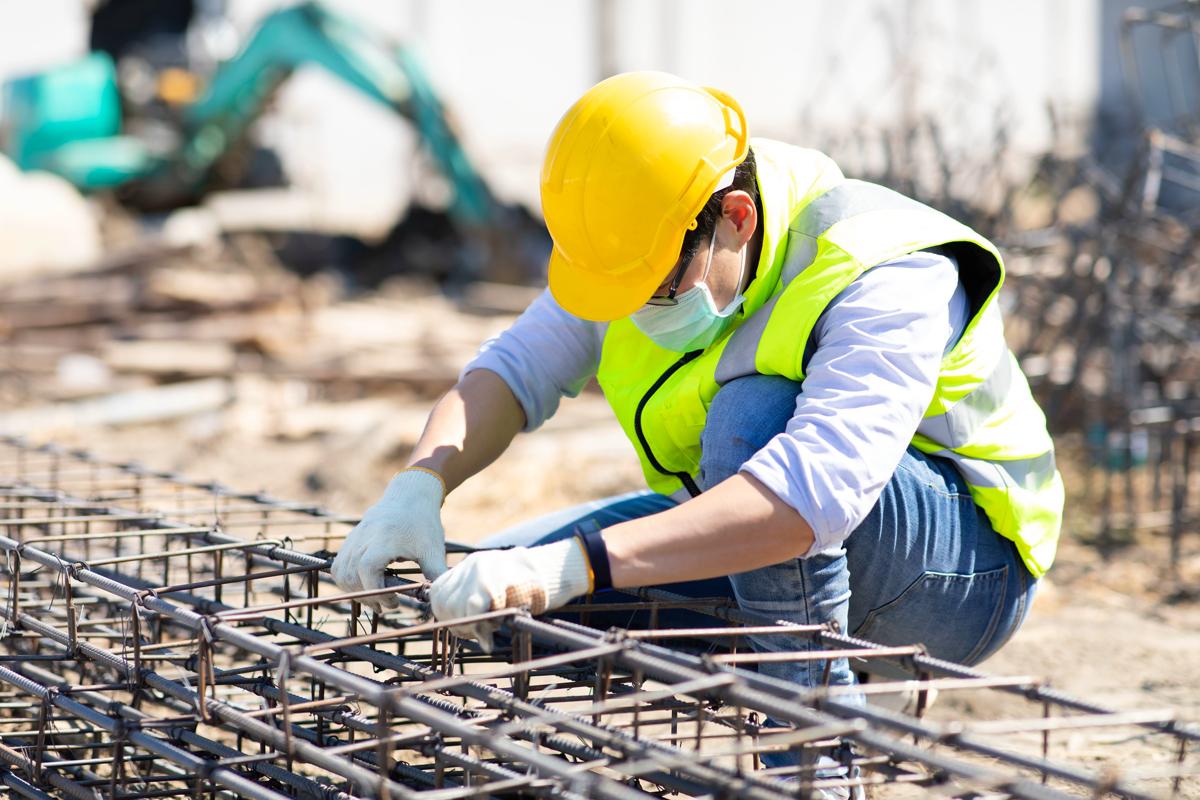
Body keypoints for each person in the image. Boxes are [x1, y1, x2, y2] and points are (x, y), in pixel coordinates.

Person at [331, 70, 1063, 708]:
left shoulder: (884, 268)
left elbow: (811, 500)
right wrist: (421, 483)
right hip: (765, 532)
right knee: (494, 602)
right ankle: (785, 653)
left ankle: (816, 751)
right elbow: (511, 372)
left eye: (653, 290)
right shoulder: (640, 239)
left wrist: (577, 566)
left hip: (963, 573)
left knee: (750, 422)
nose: (632, 312)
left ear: (734, 220)